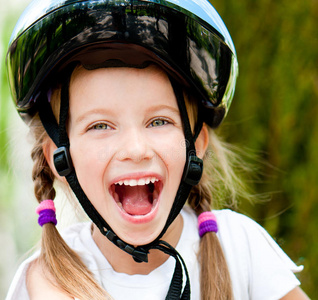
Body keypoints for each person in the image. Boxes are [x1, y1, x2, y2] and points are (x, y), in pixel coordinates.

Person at [5, 0, 309, 299]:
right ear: (59, 159)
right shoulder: (42, 283)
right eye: (100, 126)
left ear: (197, 145)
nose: (135, 149)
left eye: (158, 121)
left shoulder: (242, 251)